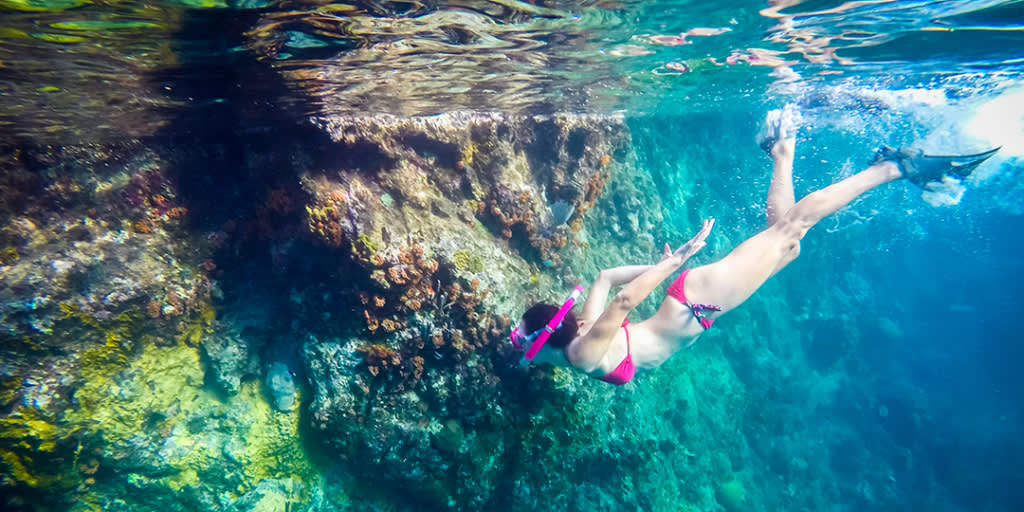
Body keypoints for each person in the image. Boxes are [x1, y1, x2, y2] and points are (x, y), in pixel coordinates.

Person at [510, 106, 999, 385]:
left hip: (697, 301)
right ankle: (782, 152)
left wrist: (674, 261)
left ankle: (895, 168)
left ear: (541, 342)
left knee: (790, 233)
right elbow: (604, 278)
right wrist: (661, 265)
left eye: (519, 340)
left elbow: (624, 298)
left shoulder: (579, 355)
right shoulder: (581, 333)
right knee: (788, 244)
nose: (518, 345)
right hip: (691, 300)